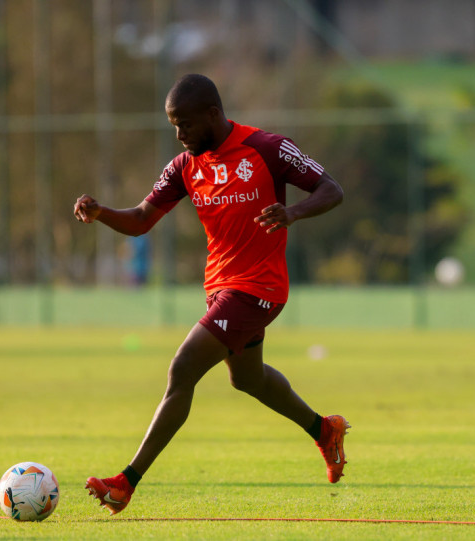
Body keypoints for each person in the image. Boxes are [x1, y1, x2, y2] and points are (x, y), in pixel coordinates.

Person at [74, 73, 348, 515]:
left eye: (184, 124)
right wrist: (102, 212)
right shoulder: (186, 166)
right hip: (220, 288)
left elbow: (330, 189)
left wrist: (292, 212)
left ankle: (126, 482)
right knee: (248, 379)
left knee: (182, 369)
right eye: (173, 126)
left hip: (260, 287)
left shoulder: (267, 148)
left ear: (213, 115)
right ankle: (323, 429)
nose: (179, 135)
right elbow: (142, 218)